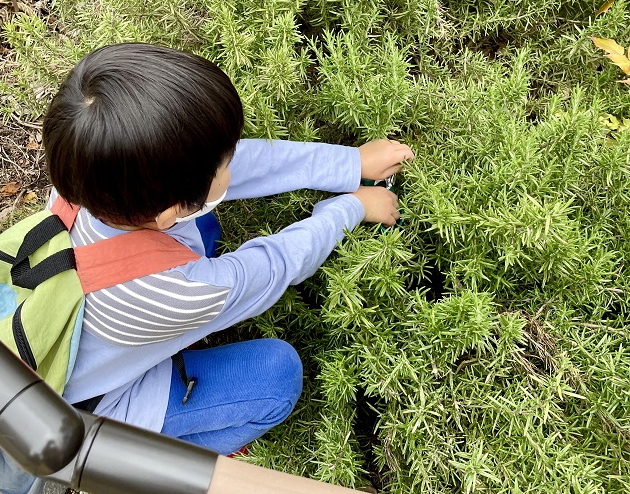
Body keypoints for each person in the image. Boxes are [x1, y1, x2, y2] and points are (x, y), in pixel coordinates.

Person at [40, 42, 413, 457]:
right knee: (276, 375)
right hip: (91, 409)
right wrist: (352, 206)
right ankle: (176, 465)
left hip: (88, 317)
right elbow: (274, 265)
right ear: (170, 210)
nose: (234, 164)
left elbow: (221, 170)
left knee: (204, 219)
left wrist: (348, 164)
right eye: (224, 163)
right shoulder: (182, 292)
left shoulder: (89, 175)